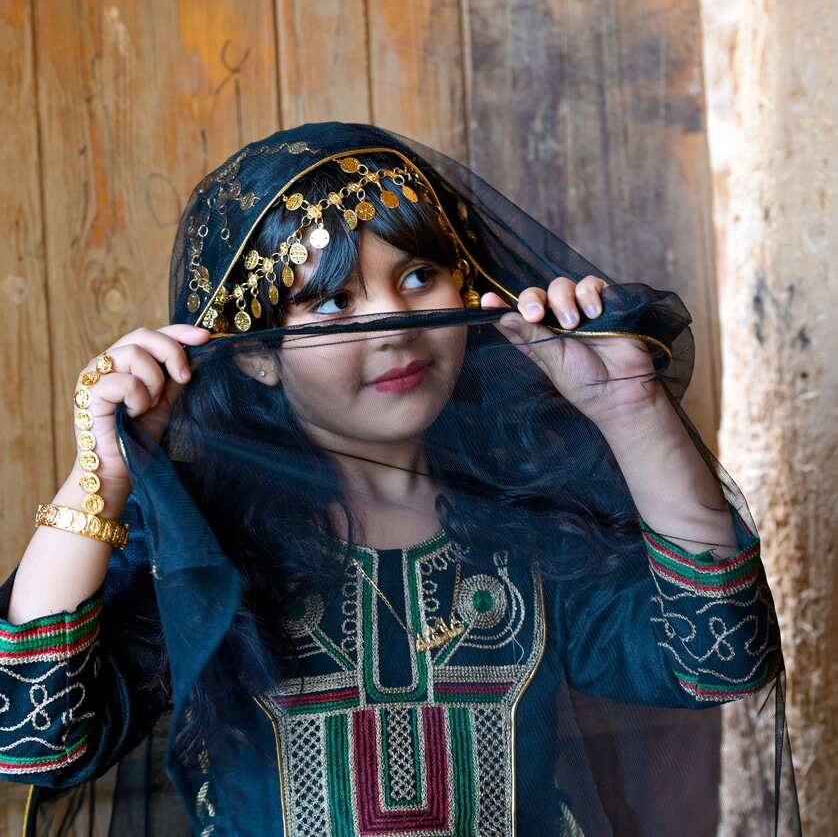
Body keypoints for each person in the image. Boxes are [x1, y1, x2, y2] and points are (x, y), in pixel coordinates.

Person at [0, 123, 799, 835]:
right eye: (333, 304)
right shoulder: (206, 553)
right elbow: (34, 743)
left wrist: (629, 410)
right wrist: (99, 472)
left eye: (419, 276)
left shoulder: (532, 520)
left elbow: (725, 659)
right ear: (252, 355)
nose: (397, 329)